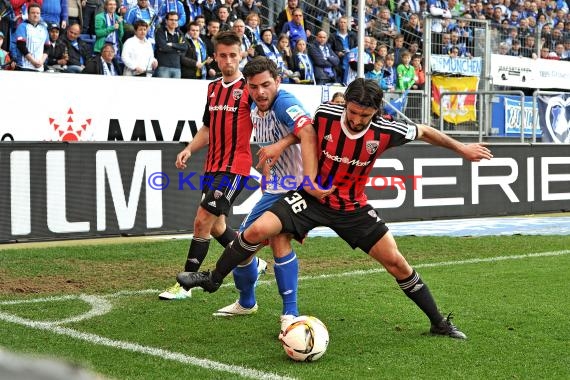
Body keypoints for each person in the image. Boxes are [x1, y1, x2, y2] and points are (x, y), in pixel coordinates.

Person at [177, 78, 494, 339]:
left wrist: (462, 148)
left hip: (351, 206)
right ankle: (214, 278)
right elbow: (305, 132)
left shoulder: (387, 130)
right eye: (353, 112)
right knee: (259, 230)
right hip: (312, 198)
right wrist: (290, 156)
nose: (356, 120)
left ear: (375, 112)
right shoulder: (327, 113)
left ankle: (438, 322)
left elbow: (424, 130)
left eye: (364, 115)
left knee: (396, 262)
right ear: (346, 105)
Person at [158, 30, 259, 301]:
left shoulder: (249, 89)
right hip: (212, 166)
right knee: (216, 226)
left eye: (233, 55)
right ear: (215, 57)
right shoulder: (213, 88)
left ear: (241, 56)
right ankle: (251, 260)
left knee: (202, 220)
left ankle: (185, 284)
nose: (228, 60)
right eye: (223, 55)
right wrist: (189, 149)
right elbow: (208, 127)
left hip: (235, 167)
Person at [211, 56, 313, 317]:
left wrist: (279, 146)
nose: (260, 92)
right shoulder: (254, 107)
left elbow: (308, 130)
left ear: (278, 81)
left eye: (266, 85)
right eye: (254, 87)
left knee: (278, 240)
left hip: (299, 188)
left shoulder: (284, 102)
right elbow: (267, 141)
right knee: (242, 245)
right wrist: (268, 167)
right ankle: (247, 303)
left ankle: (289, 313)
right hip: (277, 187)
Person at [11, 3, 49, 72]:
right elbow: (21, 46)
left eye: (38, 13)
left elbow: (47, 47)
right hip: (24, 66)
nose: (35, 15)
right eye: (33, 13)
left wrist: (41, 62)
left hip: (39, 68)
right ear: (28, 14)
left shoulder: (44, 28)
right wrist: (33, 61)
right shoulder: (22, 26)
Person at [154, 11, 187, 78]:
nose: (174, 22)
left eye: (176, 20)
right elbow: (163, 47)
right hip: (163, 67)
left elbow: (185, 47)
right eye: (171, 20)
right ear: (166, 21)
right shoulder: (160, 31)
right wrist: (178, 49)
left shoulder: (179, 33)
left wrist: (172, 44)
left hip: (177, 67)